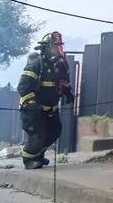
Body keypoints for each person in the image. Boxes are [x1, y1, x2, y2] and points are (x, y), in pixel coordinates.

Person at [17, 32, 74, 169]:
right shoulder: (37, 64)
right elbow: (23, 86)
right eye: (54, 47)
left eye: (58, 46)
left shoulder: (60, 66)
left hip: (51, 109)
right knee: (38, 135)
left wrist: (68, 94)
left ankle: (38, 156)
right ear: (45, 48)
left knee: (54, 132)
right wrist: (32, 104)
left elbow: (63, 83)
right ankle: (29, 160)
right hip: (33, 110)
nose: (57, 50)